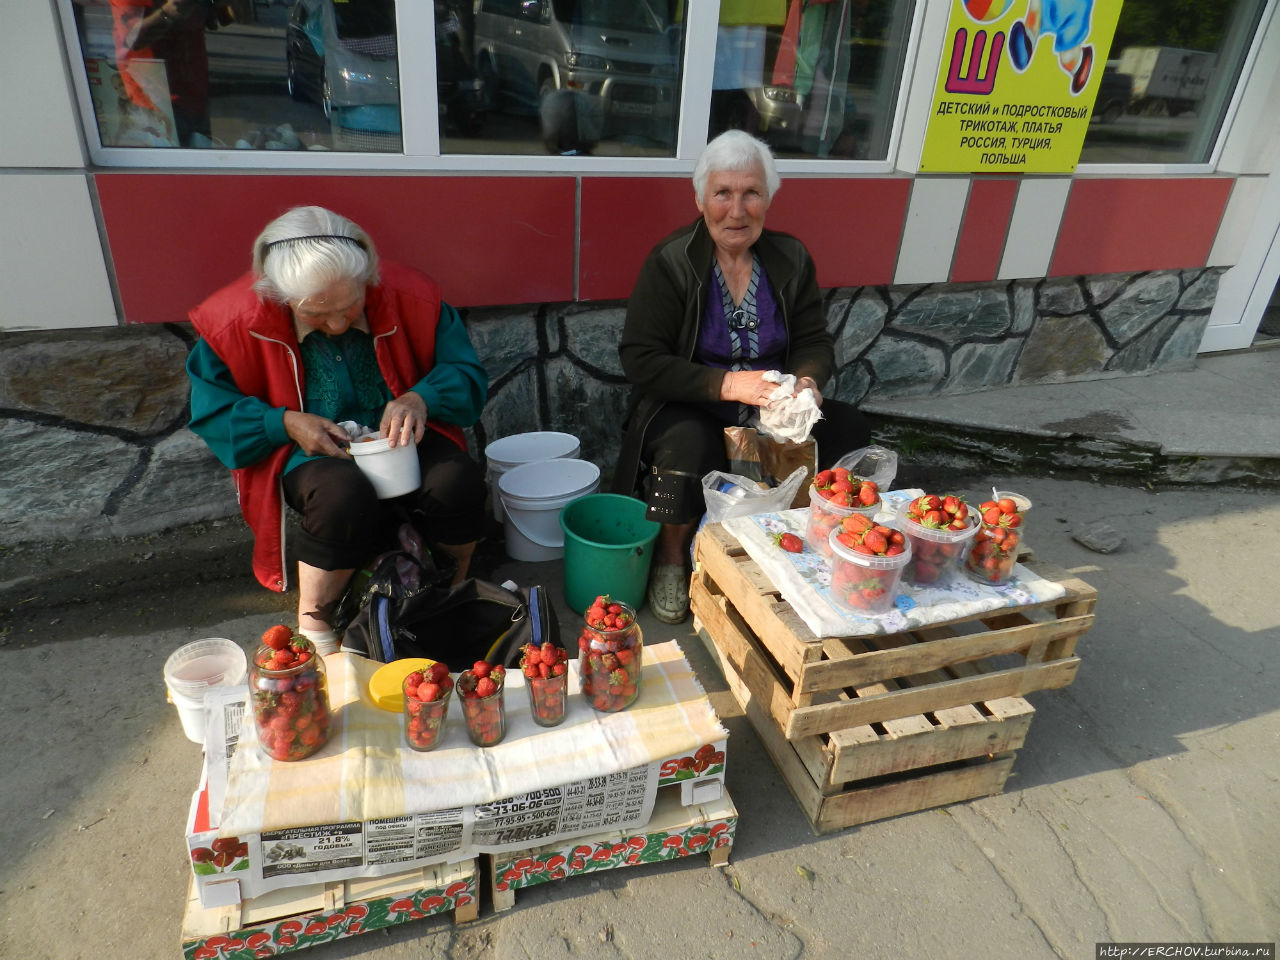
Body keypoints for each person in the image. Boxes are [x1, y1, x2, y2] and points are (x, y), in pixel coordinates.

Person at [187, 206, 489, 652]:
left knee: (457, 481)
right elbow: (213, 413)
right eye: (315, 314)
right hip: (305, 449)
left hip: (402, 436)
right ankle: (315, 623)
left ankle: (452, 587)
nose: (336, 324)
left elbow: (466, 373)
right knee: (340, 495)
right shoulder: (230, 322)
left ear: (368, 280)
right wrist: (284, 422)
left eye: (351, 308)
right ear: (278, 296)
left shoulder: (414, 297)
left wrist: (420, 397)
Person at [613, 129, 872, 624]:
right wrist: (728, 386)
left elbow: (815, 340)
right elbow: (641, 359)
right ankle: (671, 558)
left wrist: (808, 382)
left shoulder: (790, 257)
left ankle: (811, 540)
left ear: (768, 198)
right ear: (700, 199)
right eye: (723, 193)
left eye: (751, 192)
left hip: (772, 409)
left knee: (847, 427)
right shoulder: (670, 262)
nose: (737, 209)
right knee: (688, 443)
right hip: (691, 405)